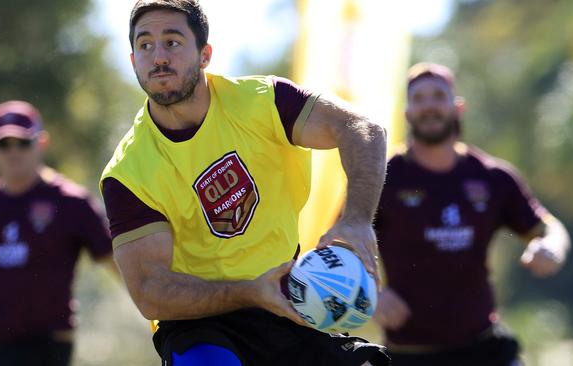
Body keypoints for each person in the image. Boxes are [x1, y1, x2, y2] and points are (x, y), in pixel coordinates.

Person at [99, 1, 390, 365]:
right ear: (133, 62)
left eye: (172, 42)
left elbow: (363, 129)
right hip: (200, 324)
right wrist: (252, 291)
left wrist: (357, 218)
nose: (158, 57)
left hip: (286, 303)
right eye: (145, 45)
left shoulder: (264, 101)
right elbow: (150, 293)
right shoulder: (127, 173)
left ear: (205, 54)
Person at [372, 62, 571, 366]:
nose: (429, 106)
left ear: (458, 107)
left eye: (439, 96)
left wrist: (551, 247)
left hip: (484, 348)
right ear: (407, 113)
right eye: (419, 98)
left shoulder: (493, 178)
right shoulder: (381, 178)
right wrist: (373, 295)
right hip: (408, 354)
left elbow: (548, 228)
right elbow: (338, 243)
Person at [0, 100, 114, 366]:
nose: (14, 152)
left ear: (41, 143)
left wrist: (158, 306)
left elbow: (118, 262)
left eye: (23, 142)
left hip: (51, 348)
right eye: (5, 144)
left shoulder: (71, 202)